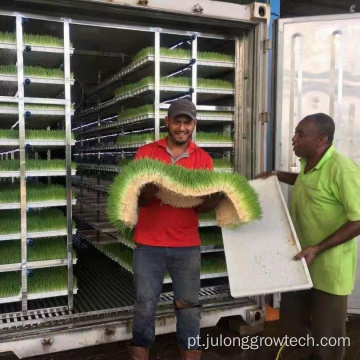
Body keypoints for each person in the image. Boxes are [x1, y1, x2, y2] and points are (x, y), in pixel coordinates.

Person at [258, 113, 360, 360]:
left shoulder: (342, 169)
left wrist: (318, 248)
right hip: (300, 264)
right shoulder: (308, 164)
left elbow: (358, 219)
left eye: (300, 134)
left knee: (328, 341)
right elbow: (306, 183)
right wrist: (279, 175)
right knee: (293, 332)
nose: (293, 139)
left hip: (328, 270)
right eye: (295, 133)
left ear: (321, 139)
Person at [128, 98, 223, 360]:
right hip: (148, 244)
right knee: (145, 304)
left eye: (187, 123)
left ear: (194, 125)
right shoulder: (146, 154)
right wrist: (148, 190)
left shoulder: (202, 159)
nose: (182, 128)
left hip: (186, 245)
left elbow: (201, 208)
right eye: (177, 122)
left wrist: (213, 198)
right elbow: (136, 200)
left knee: (189, 306)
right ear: (167, 122)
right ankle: (140, 353)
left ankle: (190, 353)